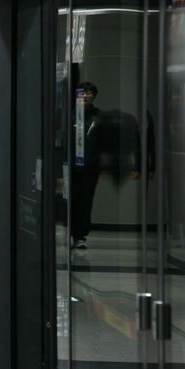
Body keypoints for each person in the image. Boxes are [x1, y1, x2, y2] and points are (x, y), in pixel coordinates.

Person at [72, 81, 101, 250]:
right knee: (71, 201)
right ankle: (70, 231)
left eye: (89, 93)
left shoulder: (97, 118)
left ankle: (79, 236)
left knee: (84, 202)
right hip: (70, 167)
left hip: (89, 169)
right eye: (82, 92)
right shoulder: (69, 114)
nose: (85, 95)